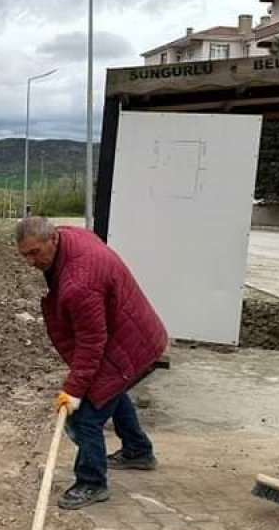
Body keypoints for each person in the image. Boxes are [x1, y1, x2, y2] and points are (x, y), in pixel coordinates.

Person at [15, 216, 169, 510]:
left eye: (35, 253)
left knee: (83, 416)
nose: (30, 262)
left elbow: (91, 344)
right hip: (132, 334)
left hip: (126, 347)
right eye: (24, 254)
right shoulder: (69, 239)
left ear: (53, 239)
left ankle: (91, 482)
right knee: (110, 392)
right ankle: (138, 451)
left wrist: (73, 392)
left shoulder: (79, 283)